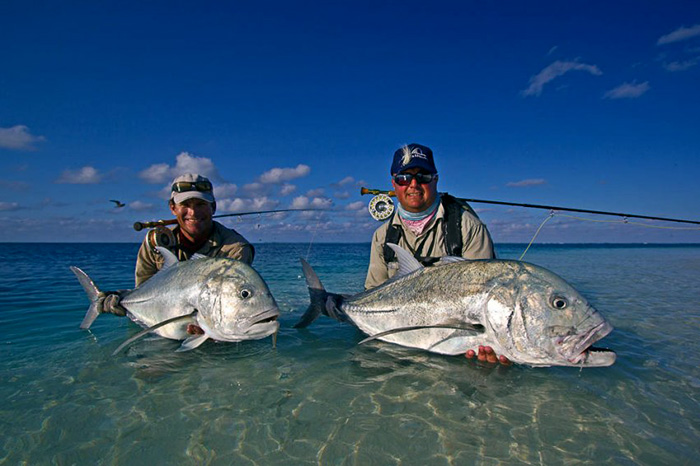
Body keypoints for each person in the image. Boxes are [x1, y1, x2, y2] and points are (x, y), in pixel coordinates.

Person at [364, 143, 509, 365]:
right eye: (404, 178)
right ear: (394, 183)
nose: (413, 184)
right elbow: (373, 293)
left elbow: (485, 296)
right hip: (399, 346)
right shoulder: (382, 236)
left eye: (422, 176)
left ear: (436, 180)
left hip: (455, 356)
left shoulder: (468, 228)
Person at [99, 173, 254, 322]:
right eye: (185, 205)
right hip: (162, 322)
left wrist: (201, 323)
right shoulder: (155, 243)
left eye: (201, 204)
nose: (193, 212)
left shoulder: (236, 248)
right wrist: (121, 298)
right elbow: (144, 291)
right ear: (173, 208)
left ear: (213, 208)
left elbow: (232, 301)